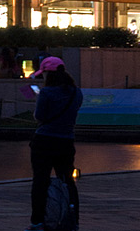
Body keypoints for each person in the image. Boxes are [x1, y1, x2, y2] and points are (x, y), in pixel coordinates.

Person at [30, 51, 83, 229]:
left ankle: (37, 222)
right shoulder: (77, 93)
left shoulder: (45, 93)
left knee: (40, 182)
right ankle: (73, 220)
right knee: (68, 181)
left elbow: (39, 117)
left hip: (44, 141)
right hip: (66, 142)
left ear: (48, 73)